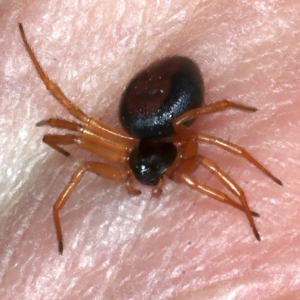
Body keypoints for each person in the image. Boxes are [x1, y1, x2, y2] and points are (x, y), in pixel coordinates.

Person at [0, 1, 298, 299]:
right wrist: (55, 196)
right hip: (151, 110)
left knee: (203, 156)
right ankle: (242, 207)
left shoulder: (182, 152)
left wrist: (241, 200)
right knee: (78, 129)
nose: (146, 177)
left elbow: (218, 152)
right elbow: (73, 129)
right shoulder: (128, 151)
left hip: (167, 104)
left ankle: (242, 206)